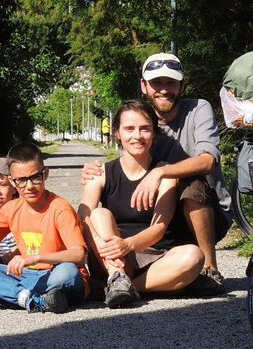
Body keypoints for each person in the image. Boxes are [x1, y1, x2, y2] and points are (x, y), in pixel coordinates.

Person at [82, 52, 233, 294]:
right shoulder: (141, 118)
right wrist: (99, 172)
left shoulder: (198, 109)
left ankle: (209, 268)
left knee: (193, 183)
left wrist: (159, 173)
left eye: (171, 83)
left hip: (201, 213)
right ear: (144, 86)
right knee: (99, 214)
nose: (164, 90)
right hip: (147, 228)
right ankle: (122, 282)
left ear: (182, 85)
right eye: (156, 83)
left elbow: (207, 161)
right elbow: (88, 210)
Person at [79, 99, 205, 308]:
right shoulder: (100, 173)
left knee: (194, 255)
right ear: (117, 133)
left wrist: (128, 244)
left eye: (144, 129)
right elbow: (83, 213)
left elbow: (159, 227)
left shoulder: (165, 174)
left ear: (154, 133)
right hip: (113, 259)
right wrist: (97, 242)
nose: (137, 136)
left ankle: (122, 288)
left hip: (155, 260)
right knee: (99, 215)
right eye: (129, 129)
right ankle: (117, 279)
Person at [0, 142, 88, 313]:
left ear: (45, 174)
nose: (29, 186)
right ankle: (32, 300)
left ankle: (6, 296)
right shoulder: (12, 208)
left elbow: (78, 255)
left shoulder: (60, 208)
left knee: (67, 272)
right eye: (21, 180)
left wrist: (34, 259)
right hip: (28, 277)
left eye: (35, 177)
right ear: (12, 182)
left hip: (56, 276)